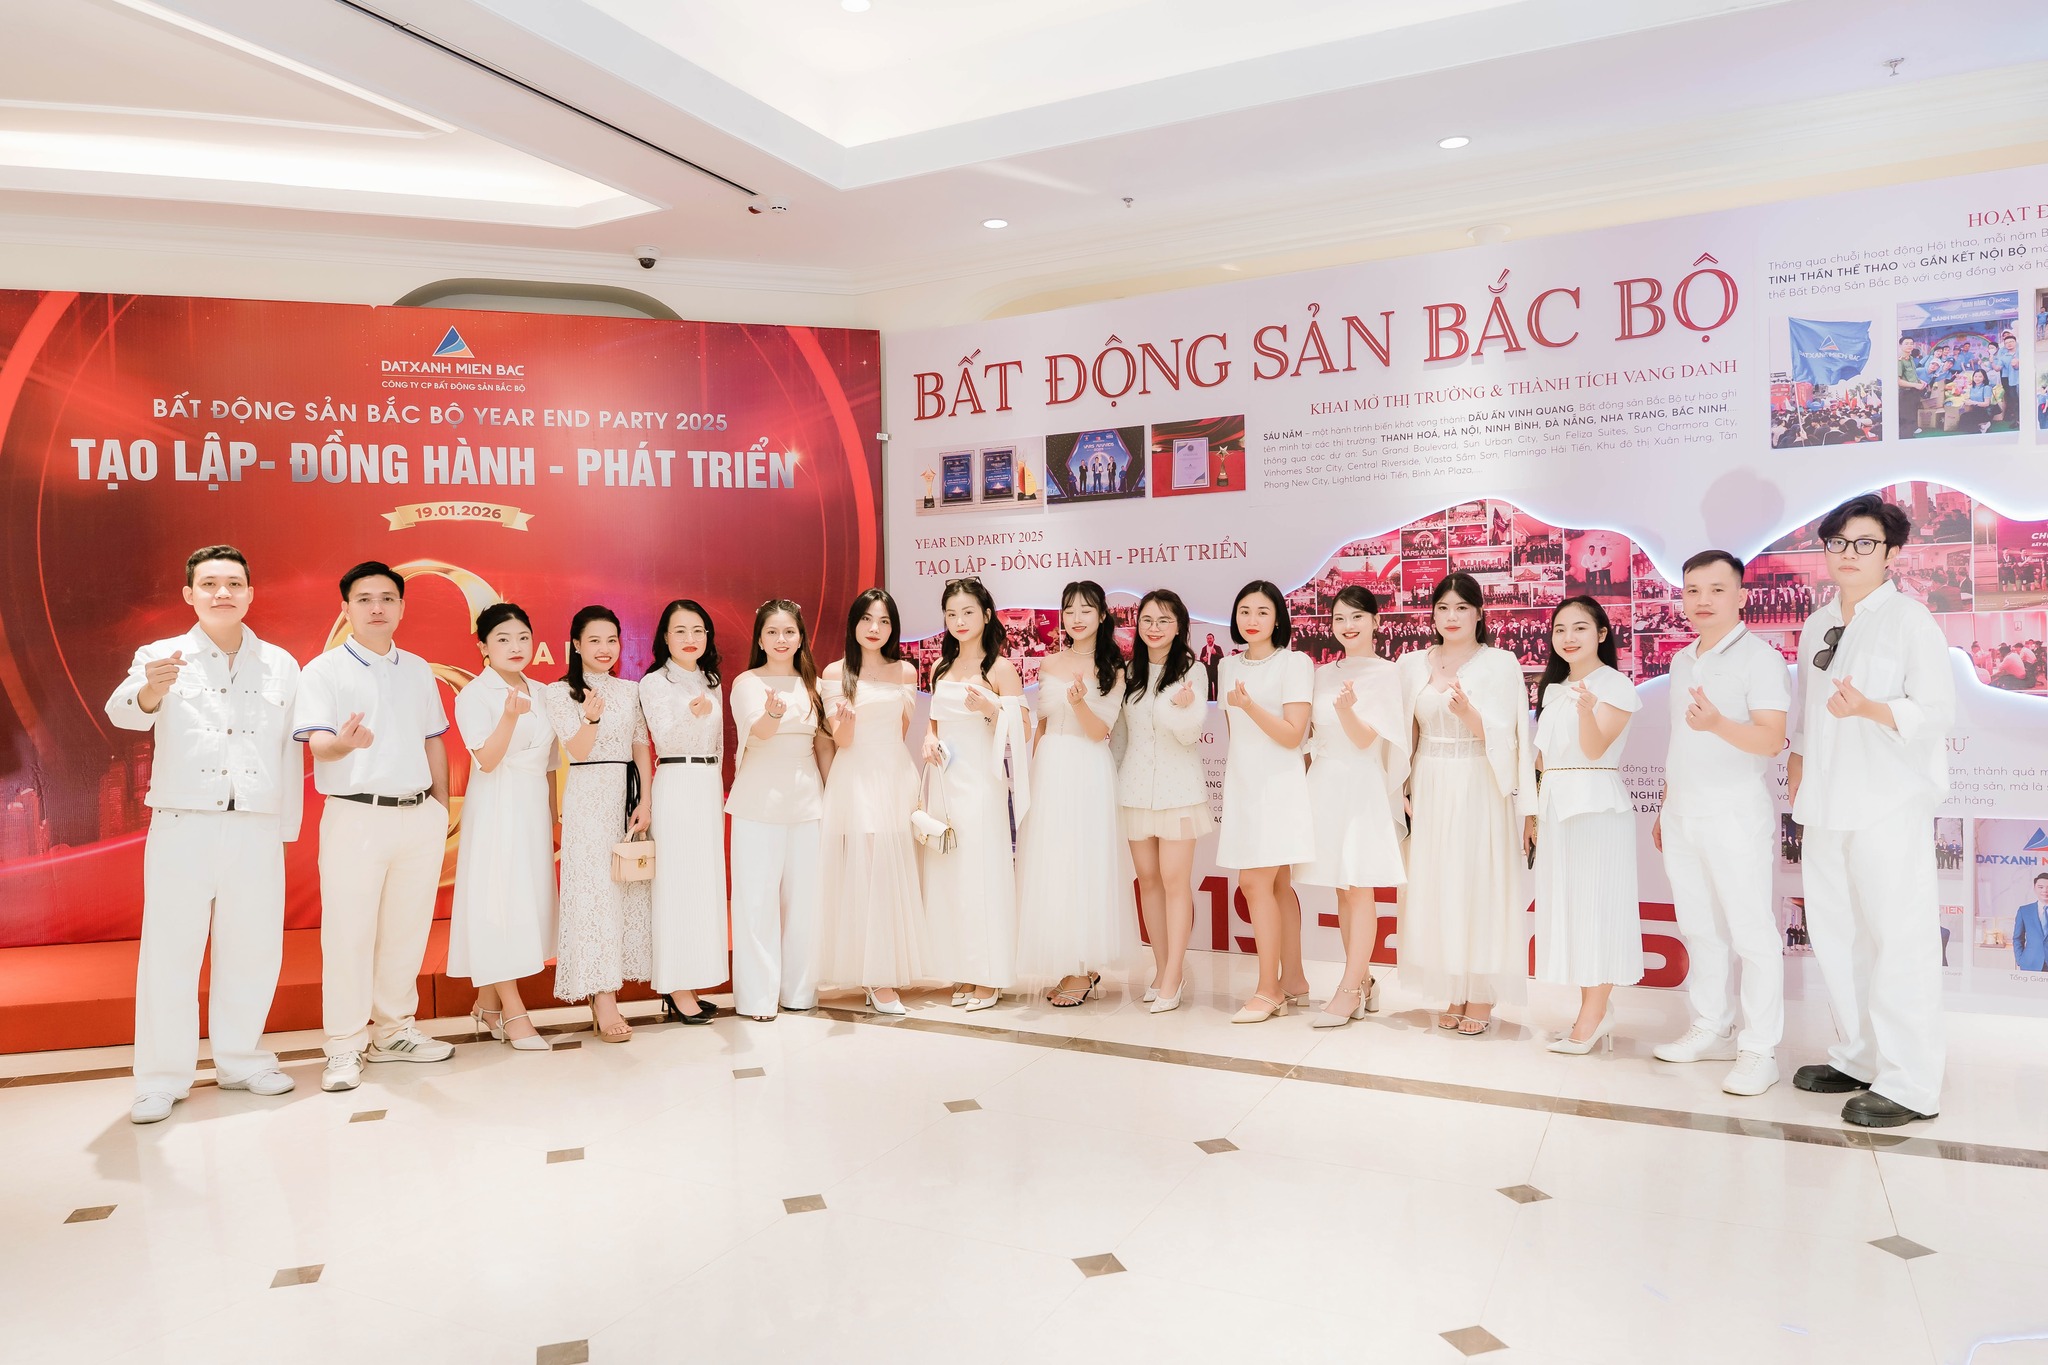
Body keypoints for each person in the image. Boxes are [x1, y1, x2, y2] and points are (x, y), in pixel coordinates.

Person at [107, 546, 303, 1123]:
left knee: (253, 947)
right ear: (189, 594)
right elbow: (125, 713)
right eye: (210, 583)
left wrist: (284, 826)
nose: (223, 593)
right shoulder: (160, 655)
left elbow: (289, 752)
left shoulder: (280, 663)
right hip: (183, 823)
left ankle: (241, 1061)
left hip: (255, 825)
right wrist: (151, 689)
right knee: (171, 950)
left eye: (234, 583)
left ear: (250, 593)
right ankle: (160, 1079)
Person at [1788, 493, 1955, 1128]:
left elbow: (1935, 712)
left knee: (1899, 940)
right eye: (1838, 543)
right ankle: (1859, 1057)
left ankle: (1911, 1083)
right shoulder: (1816, 623)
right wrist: (1798, 772)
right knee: (1838, 936)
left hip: (1888, 802)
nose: (1849, 554)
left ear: (1891, 553)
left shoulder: (1910, 621)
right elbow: (1805, 715)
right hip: (1825, 801)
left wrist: (1870, 709)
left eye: (1864, 543)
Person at [293, 561, 455, 1092]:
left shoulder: (418, 669)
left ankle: (394, 1032)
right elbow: (318, 744)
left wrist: (438, 806)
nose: (377, 608)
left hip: (418, 816)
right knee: (349, 934)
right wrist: (344, 744)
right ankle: (344, 1044)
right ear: (345, 609)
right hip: (356, 816)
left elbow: (433, 738)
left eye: (387, 598)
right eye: (364, 599)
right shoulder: (323, 671)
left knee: (406, 931)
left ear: (402, 606)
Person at [1651, 551, 1792, 1096]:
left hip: (1734, 813)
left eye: (1716, 589)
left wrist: (1716, 723)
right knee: (1699, 927)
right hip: (1682, 813)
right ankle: (1712, 1025)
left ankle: (1760, 1049)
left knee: (1752, 933)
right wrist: (1666, 805)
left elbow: (1771, 740)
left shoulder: (1761, 659)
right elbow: (1679, 742)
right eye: (1692, 590)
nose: (1702, 600)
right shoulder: (1682, 660)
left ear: (1741, 596)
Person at [1396, 572, 1532, 1038]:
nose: (1451, 617)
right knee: (1440, 883)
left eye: (1461, 608)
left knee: (1477, 881)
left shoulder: (1500, 664)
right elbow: (1406, 732)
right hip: (1430, 781)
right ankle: (1455, 986)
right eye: (1443, 608)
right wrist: (1402, 786)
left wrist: (1470, 716)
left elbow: (1513, 736)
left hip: (1478, 780)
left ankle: (1481, 992)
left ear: (1479, 613)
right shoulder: (1412, 663)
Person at [1015, 580, 1140, 1007]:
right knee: (1054, 862)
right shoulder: (1049, 663)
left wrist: (1081, 703)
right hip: (1050, 766)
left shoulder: (1114, 668)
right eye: (1069, 610)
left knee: (1084, 864)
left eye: (1086, 610)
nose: (1076, 618)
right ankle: (1069, 962)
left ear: (1102, 616)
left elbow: (1099, 731)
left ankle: (1084, 969)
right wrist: (1033, 773)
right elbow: (1043, 724)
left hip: (1087, 769)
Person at [1528, 597, 1642, 1054]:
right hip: (1556, 808)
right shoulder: (1553, 689)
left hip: (1596, 807)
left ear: (1601, 633)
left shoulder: (1615, 684)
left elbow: (1594, 749)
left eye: (1579, 627)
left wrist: (1586, 712)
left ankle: (1592, 1016)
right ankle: (1592, 1011)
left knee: (1597, 907)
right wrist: (1532, 814)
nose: (1568, 637)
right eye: (1560, 629)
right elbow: (1542, 760)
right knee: (1574, 908)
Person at [1293, 586, 1407, 1028]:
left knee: (1359, 886)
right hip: (1325, 783)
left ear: (1375, 621)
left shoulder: (1387, 673)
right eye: (1339, 618)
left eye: (1357, 616)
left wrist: (1346, 713)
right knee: (1341, 888)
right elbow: (1310, 736)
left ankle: (1348, 989)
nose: (1348, 625)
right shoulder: (1321, 673)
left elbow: (1364, 740)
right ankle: (1363, 980)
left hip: (1360, 785)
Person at [449, 603, 557, 1052]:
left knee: (524, 902)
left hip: (532, 808)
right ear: (483, 647)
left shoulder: (544, 691)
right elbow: (488, 760)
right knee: (499, 902)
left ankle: (486, 1005)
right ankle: (514, 1012)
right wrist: (509, 716)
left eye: (523, 638)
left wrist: (552, 818)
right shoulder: (474, 696)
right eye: (503, 639)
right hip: (496, 806)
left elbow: (550, 763)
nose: (515, 647)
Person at [542, 606, 653, 1042]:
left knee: (626, 890)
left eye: (612, 640)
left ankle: (613, 984)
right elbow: (578, 751)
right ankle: (602, 998)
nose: (605, 649)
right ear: (576, 644)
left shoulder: (630, 690)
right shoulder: (559, 692)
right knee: (594, 895)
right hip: (587, 798)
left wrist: (645, 800)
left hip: (625, 796)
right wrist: (590, 717)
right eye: (594, 640)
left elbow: (640, 746)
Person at [816, 589, 927, 1015]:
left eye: (883, 621)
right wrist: (845, 724)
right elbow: (841, 741)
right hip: (855, 777)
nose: (874, 628)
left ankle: (882, 969)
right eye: (867, 619)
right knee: (865, 870)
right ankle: (875, 977)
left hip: (894, 774)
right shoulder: (835, 672)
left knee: (891, 872)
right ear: (854, 623)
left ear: (893, 627)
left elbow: (900, 732)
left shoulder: (905, 671)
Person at [921, 577, 1029, 1012]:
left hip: (982, 783)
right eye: (951, 614)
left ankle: (990, 974)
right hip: (944, 781)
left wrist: (990, 708)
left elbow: (1024, 727)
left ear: (986, 615)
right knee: (951, 876)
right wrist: (928, 740)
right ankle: (963, 968)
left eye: (968, 612)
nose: (959, 621)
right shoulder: (939, 668)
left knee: (983, 875)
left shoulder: (999, 668)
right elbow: (934, 722)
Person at [725, 599, 833, 1021]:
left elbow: (823, 746)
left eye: (789, 631)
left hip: (807, 801)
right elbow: (761, 733)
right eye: (772, 632)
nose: (781, 639)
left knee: (805, 903)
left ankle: (800, 992)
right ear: (759, 639)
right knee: (756, 902)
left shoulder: (815, 685)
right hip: (758, 802)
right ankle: (757, 997)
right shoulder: (747, 683)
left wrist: (832, 797)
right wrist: (772, 713)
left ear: (801, 637)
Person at [1216, 580, 1316, 1023]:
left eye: (1262, 611)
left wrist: (1251, 706)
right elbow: (1235, 736)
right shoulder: (1226, 666)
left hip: (1280, 786)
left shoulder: (1295, 663)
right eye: (1244, 611)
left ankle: (1268, 989)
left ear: (1278, 618)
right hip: (1244, 785)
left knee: (1254, 884)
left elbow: (1293, 735)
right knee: (1275, 885)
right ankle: (1294, 980)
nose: (1252, 620)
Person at [1119, 589, 1210, 1013]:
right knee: (1148, 881)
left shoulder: (1193, 672)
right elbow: (1121, 739)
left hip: (1179, 791)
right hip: (1135, 790)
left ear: (1179, 627)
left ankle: (1174, 973)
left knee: (1175, 882)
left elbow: (1190, 736)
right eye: (1148, 620)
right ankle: (1160, 968)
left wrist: (1184, 709)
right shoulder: (1127, 673)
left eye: (1164, 620)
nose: (1154, 628)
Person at [638, 599, 726, 1024]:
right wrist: (691, 717)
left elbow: (719, 743)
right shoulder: (655, 683)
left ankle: (692, 980)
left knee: (702, 884)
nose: (690, 638)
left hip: (707, 785)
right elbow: (665, 739)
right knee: (675, 885)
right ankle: (675, 986)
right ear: (665, 637)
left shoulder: (711, 680)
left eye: (697, 630)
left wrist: (719, 786)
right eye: (680, 630)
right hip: (675, 782)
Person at [2014, 872, 2048, 972]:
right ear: (2034, 888)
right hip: (2030, 964)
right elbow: (2017, 938)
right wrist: (2020, 960)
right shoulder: (2024, 911)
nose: (2045, 890)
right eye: (2041, 887)